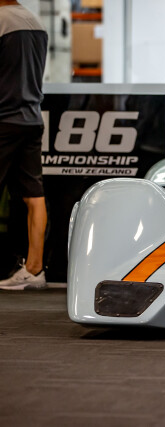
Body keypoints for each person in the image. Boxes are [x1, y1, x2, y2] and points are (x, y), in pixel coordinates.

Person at [0, 0, 48, 290]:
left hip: (3, 119)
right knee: (34, 196)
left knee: (32, 196)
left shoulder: (2, 21)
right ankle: (34, 269)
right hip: (31, 119)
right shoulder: (36, 22)